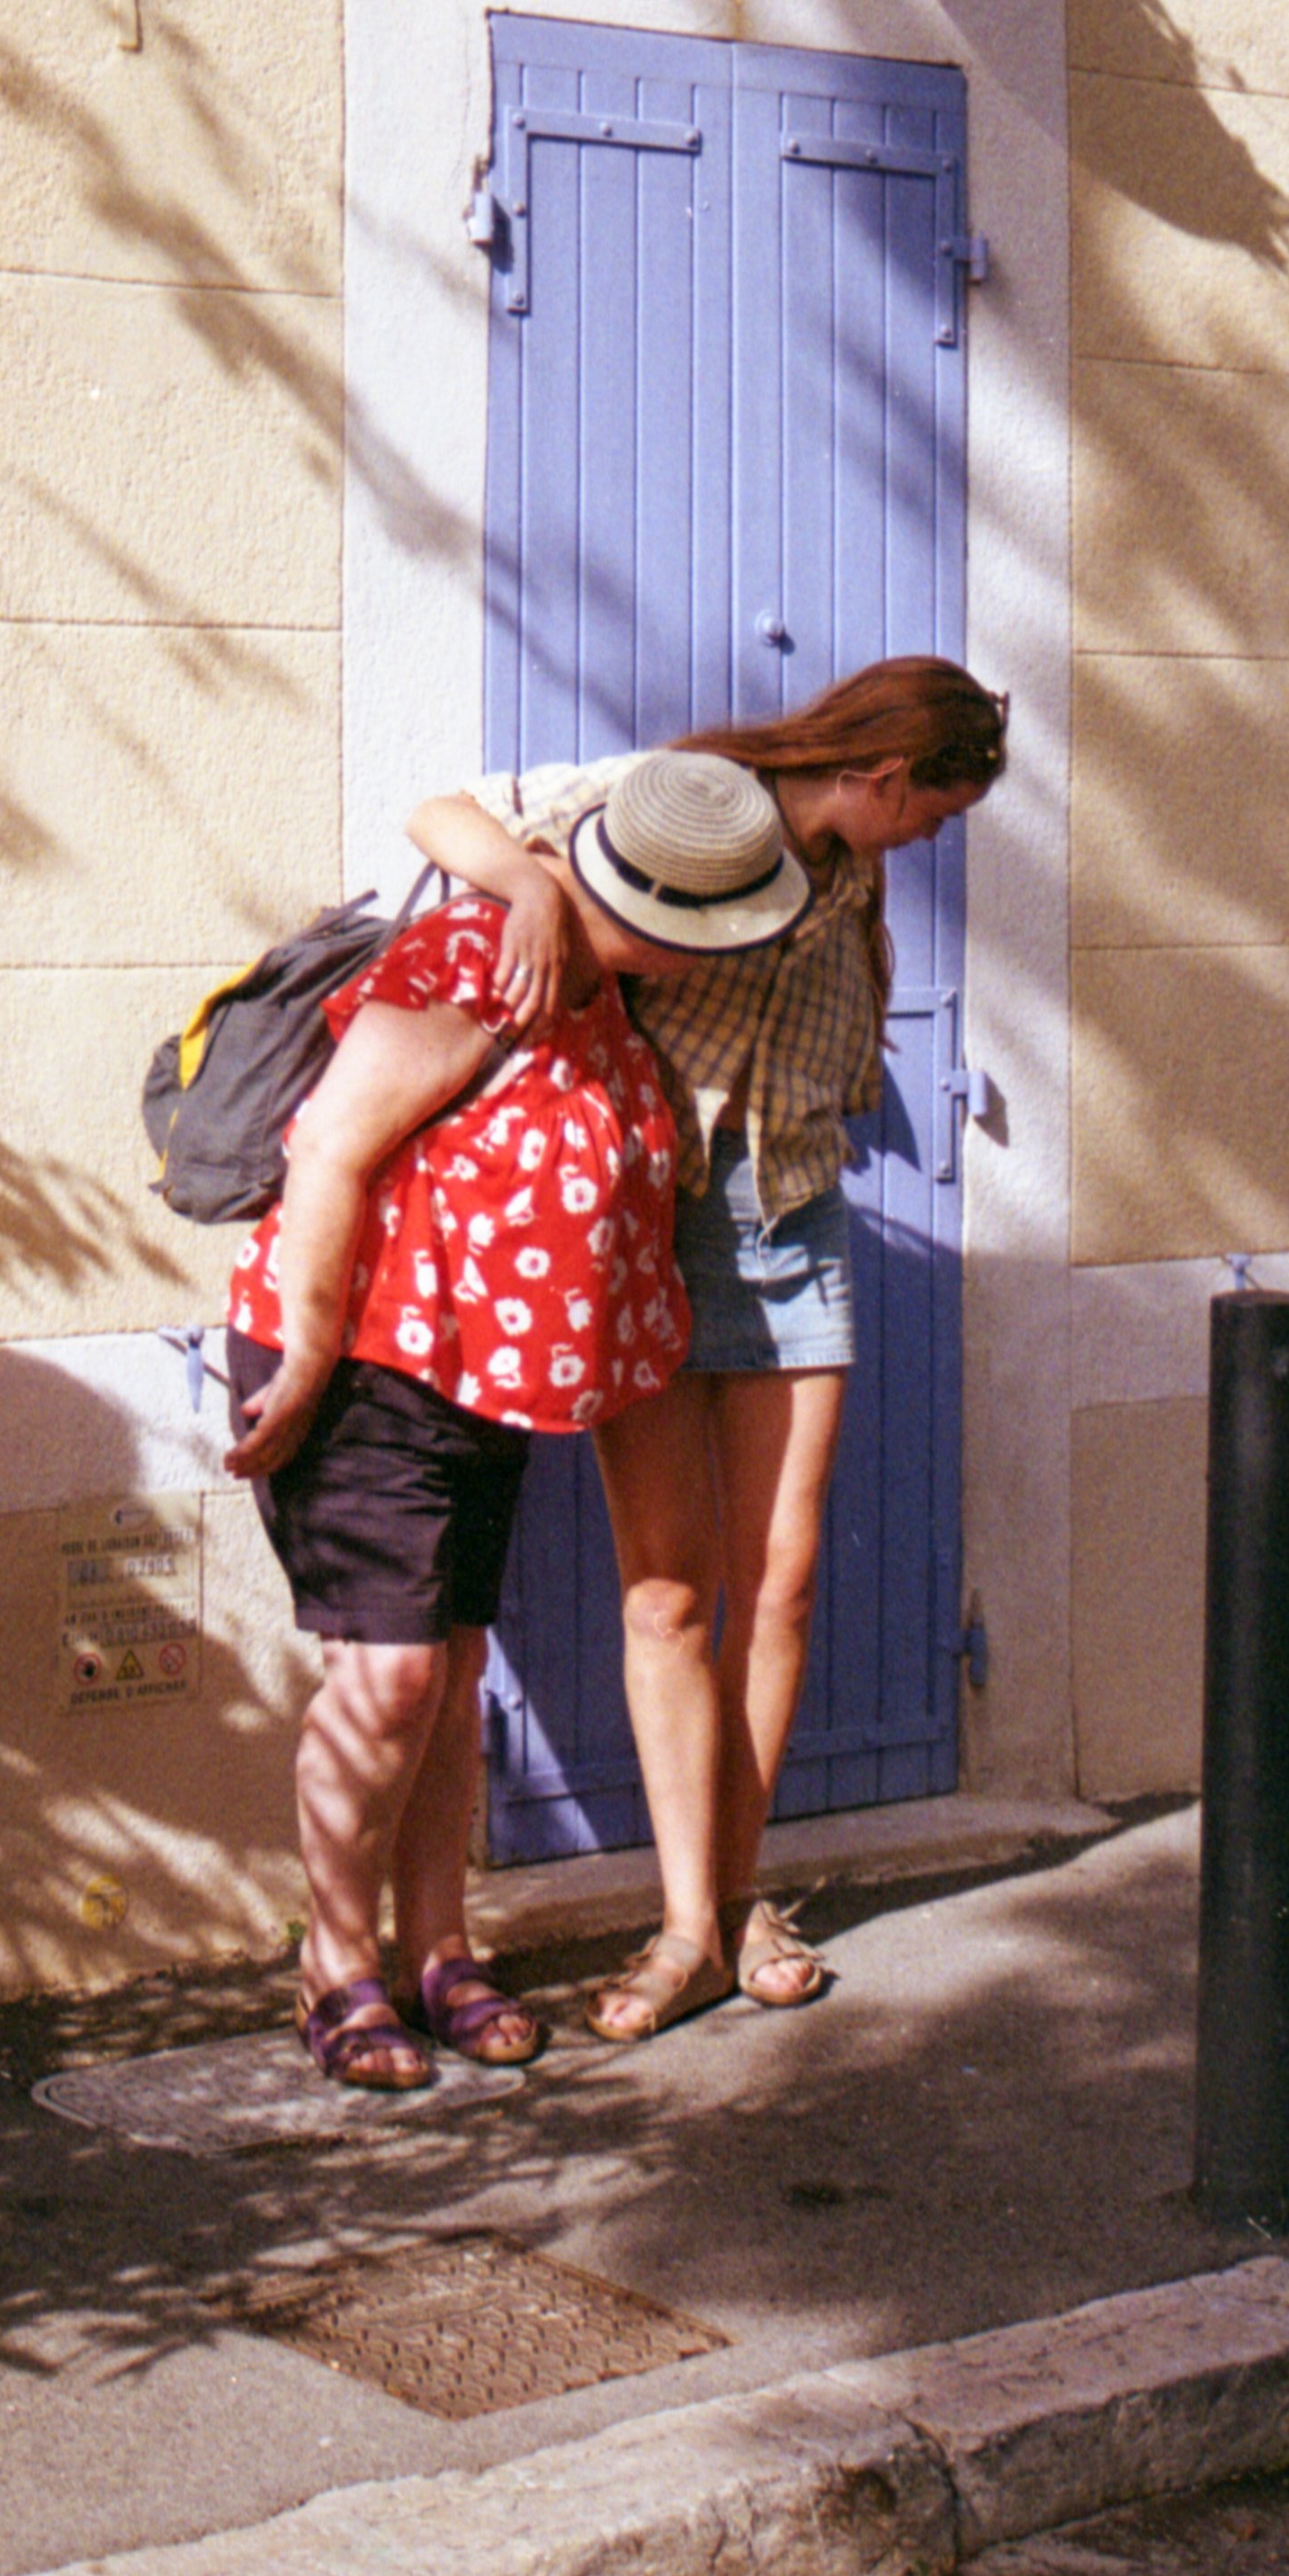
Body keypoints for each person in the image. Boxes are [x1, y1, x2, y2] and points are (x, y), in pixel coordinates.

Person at [407, 657, 1008, 2044]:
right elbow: (440, 812)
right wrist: (535, 890)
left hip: (795, 1221)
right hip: (650, 1221)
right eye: (936, 812)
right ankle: (687, 1925)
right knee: (669, 1594)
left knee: (780, 1585)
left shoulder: (853, 875)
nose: (932, 838)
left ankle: (738, 1901)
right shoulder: (689, 798)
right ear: (885, 776)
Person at [225, 753, 808, 2089]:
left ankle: (440, 1949)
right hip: (358, 1359)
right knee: (388, 1680)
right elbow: (329, 1148)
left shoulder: (600, 992)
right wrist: (305, 1358)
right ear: (662, 918)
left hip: (469, 1376)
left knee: (449, 1670)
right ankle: (335, 1966)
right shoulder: (482, 955)